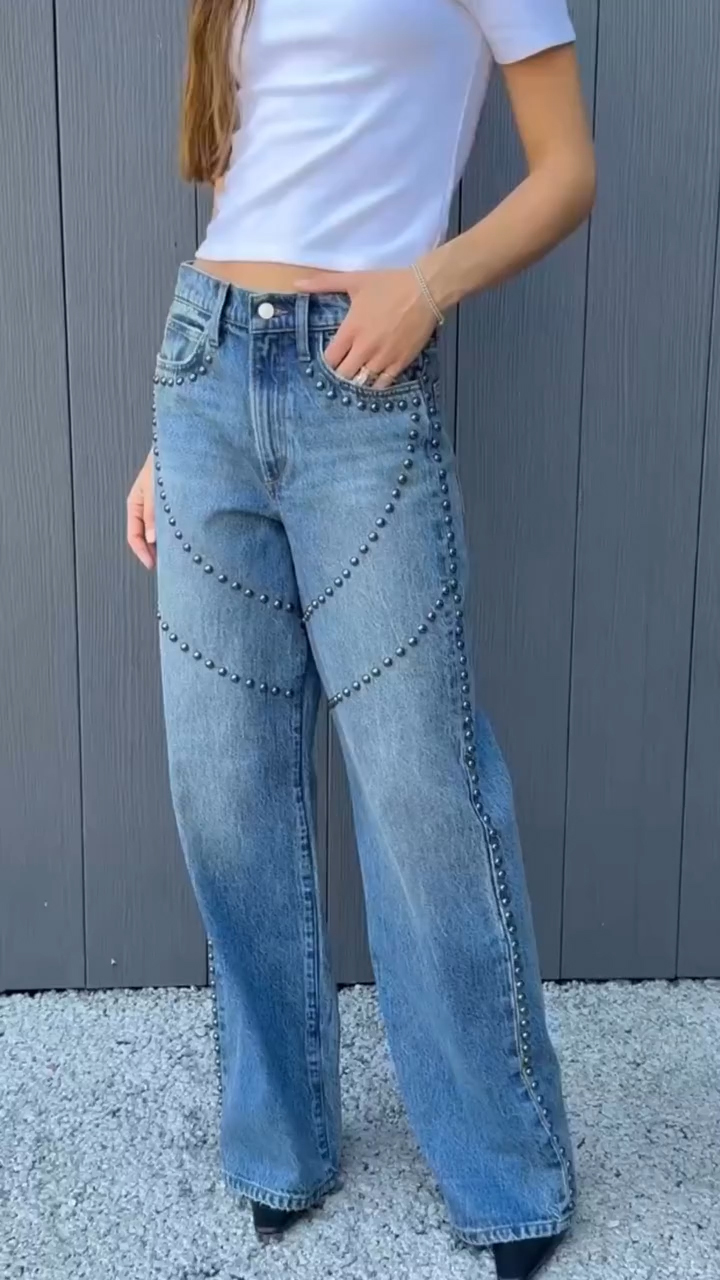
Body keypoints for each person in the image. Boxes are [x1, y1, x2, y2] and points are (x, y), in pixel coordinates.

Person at [126, 2, 595, 1275]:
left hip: (358, 387)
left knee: (423, 791)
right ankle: (279, 1143)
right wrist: (170, 440)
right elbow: (246, 179)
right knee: (223, 786)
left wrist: (425, 286)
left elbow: (568, 172)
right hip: (205, 365)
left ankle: (507, 1172)